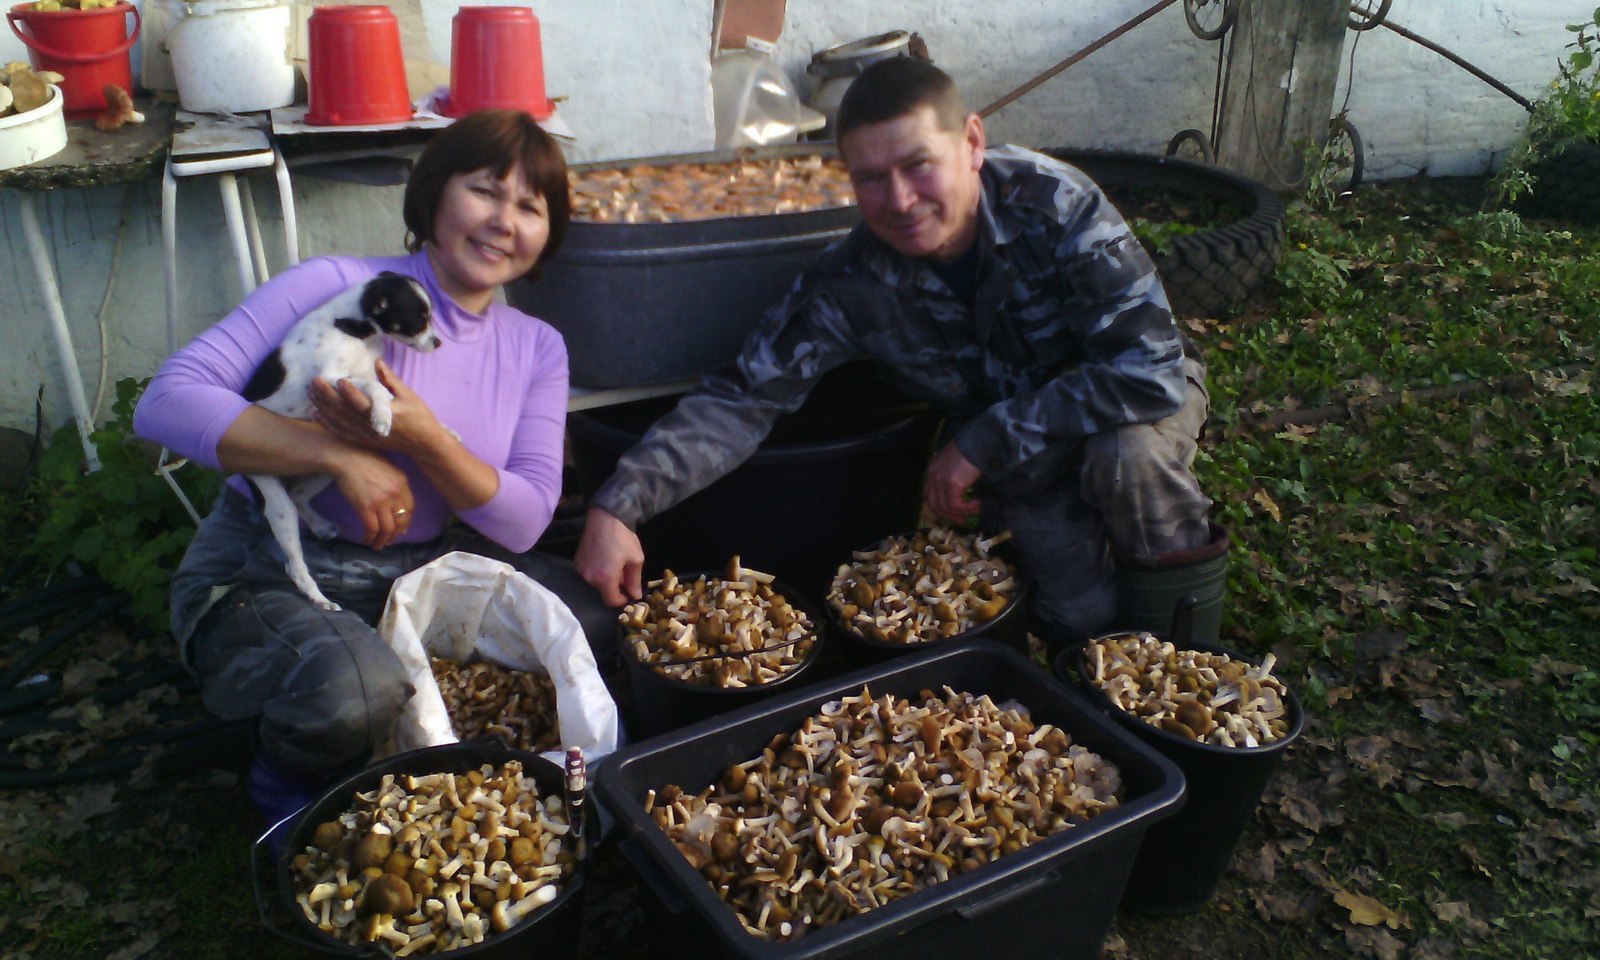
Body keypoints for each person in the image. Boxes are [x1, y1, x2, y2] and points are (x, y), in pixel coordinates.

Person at [574, 58, 1225, 646]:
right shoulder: (853, 279)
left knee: (1125, 458)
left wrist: (981, 442)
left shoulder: (1056, 205)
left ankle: (1187, 652)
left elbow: (1148, 372)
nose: (901, 201)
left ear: (971, 143)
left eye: (918, 166)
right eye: (871, 180)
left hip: (1125, 408)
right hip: (1026, 458)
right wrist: (618, 505)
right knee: (1079, 621)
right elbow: (743, 400)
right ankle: (1108, 659)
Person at [134, 110, 611, 832]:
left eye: (530, 207)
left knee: (596, 625)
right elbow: (166, 404)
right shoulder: (337, 286)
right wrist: (337, 453)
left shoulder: (535, 346)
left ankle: (460, 763)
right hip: (270, 558)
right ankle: (285, 795)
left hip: (420, 564)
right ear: (433, 196)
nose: (502, 221)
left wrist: (423, 442)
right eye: (484, 190)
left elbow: (522, 520)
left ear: (549, 233)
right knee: (350, 696)